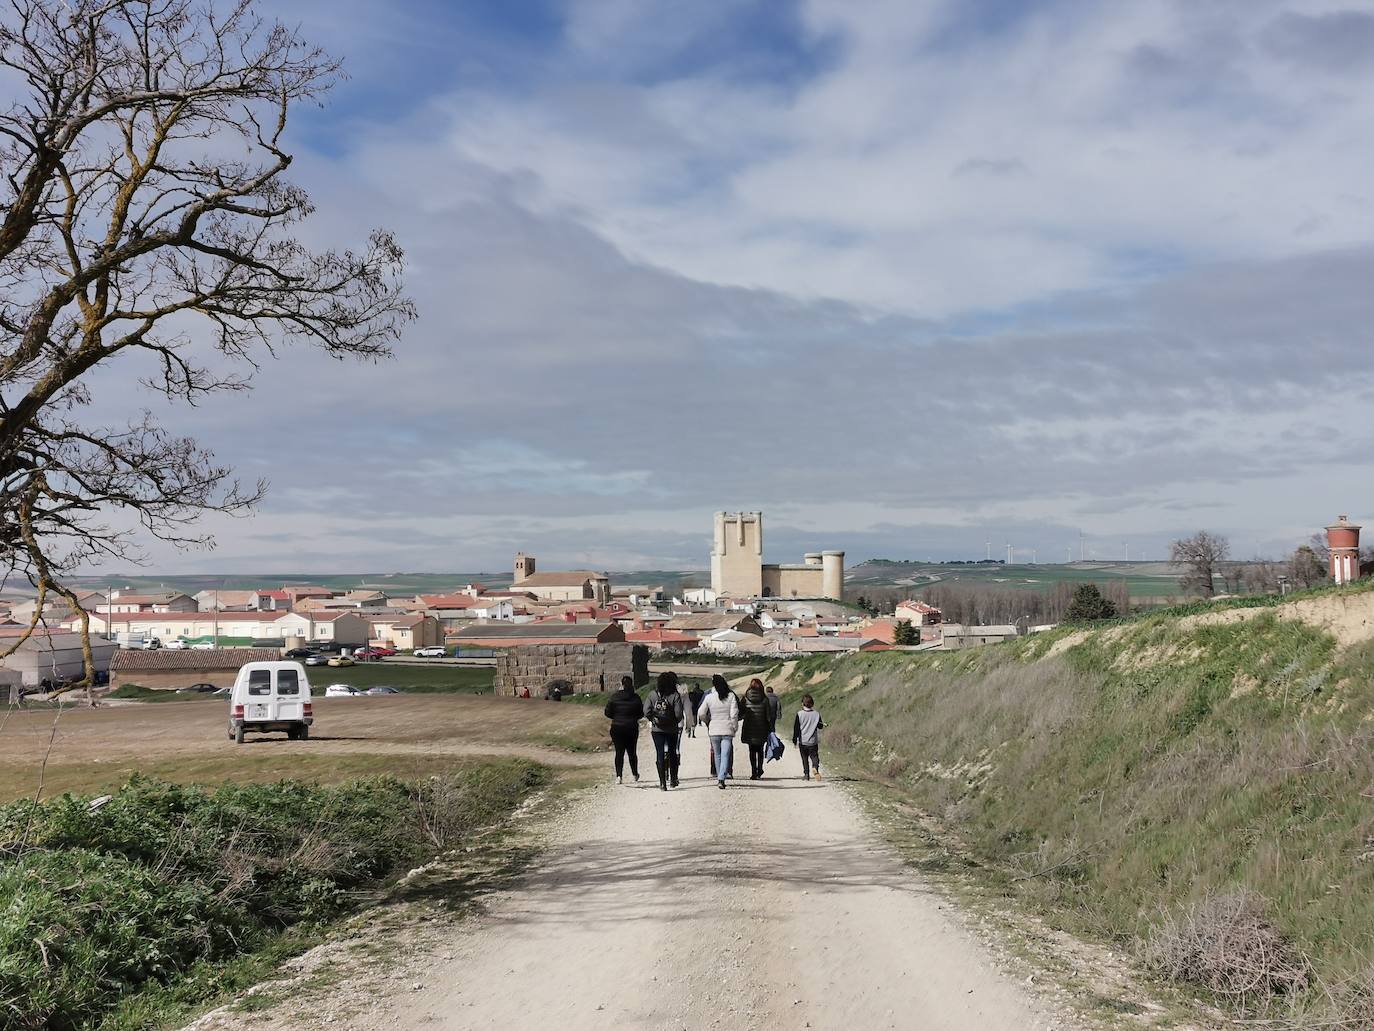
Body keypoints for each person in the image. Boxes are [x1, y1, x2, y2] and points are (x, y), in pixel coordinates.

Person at [697, 674, 740, 790]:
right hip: (727, 729)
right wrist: (735, 727)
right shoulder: (731, 696)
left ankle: (719, 777)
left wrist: (708, 721)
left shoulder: (709, 697)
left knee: (718, 755)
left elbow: (701, 713)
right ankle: (722, 778)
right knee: (726, 754)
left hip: (714, 729)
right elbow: (734, 714)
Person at [644, 671, 685, 790]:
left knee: (660, 754)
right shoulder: (675, 695)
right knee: (672, 753)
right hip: (671, 729)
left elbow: (646, 711)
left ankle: (662, 782)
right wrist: (673, 722)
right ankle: (673, 779)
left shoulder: (652, 695)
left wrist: (654, 719)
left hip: (657, 730)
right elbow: (678, 714)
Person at [603, 675, 643, 785]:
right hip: (631, 727)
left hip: (617, 727)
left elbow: (607, 712)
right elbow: (641, 713)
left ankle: (619, 776)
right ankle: (635, 774)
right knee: (632, 752)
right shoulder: (636, 698)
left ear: (622, 684)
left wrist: (616, 717)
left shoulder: (614, 697)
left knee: (619, 752)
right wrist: (632, 718)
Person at [739, 678, 772, 780]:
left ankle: (754, 772)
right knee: (760, 750)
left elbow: (741, 713)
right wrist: (770, 728)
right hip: (762, 728)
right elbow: (768, 716)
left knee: (752, 751)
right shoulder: (765, 699)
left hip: (749, 728)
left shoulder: (745, 698)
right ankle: (760, 770)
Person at [792, 693, 825, 781]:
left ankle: (806, 775)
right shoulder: (816, 714)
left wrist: (794, 740)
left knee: (804, 758)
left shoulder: (799, 714)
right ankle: (815, 767)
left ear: (803, 704)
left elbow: (796, 728)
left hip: (803, 741)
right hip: (813, 741)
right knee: (814, 756)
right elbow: (820, 726)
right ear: (812, 704)